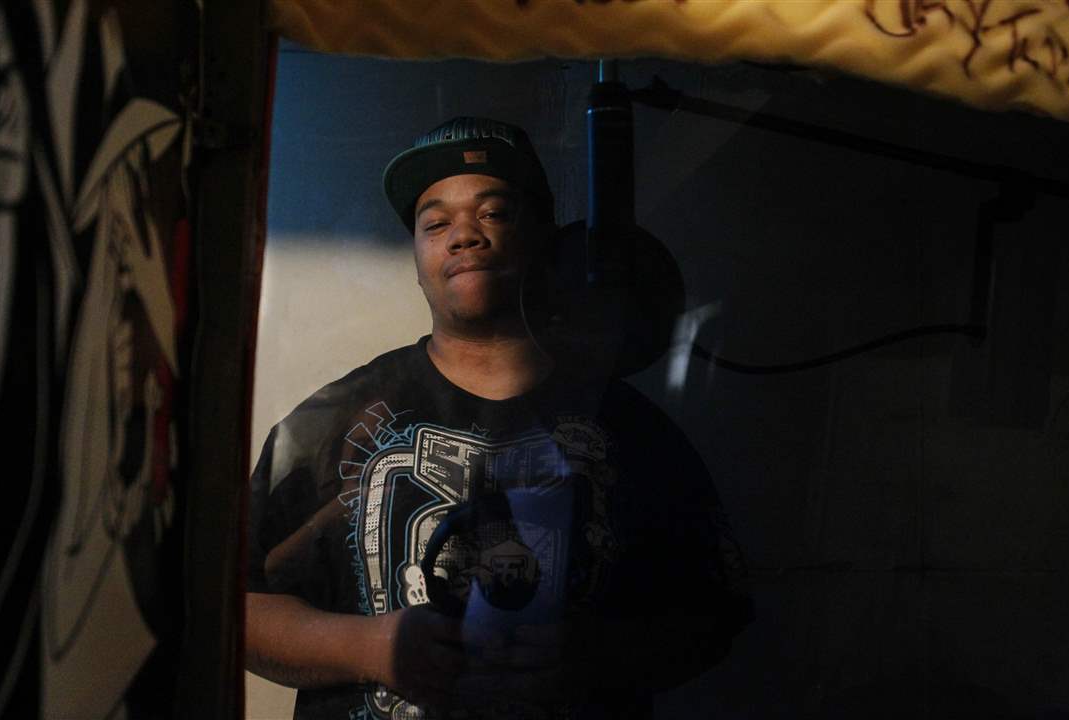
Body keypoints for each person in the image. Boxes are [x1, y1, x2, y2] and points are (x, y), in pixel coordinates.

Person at [245, 116, 751, 720]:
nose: (464, 235)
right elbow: (233, 605)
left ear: (544, 240)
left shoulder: (628, 428)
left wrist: (595, 654)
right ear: (415, 257)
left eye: (494, 213)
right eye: (436, 223)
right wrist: (373, 648)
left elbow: (711, 613)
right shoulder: (336, 425)